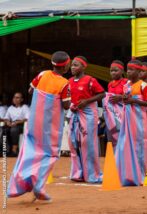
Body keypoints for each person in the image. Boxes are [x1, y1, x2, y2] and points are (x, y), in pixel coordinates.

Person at [7, 51, 71, 201]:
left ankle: (17, 185)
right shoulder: (64, 83)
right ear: (66, 66)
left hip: (34, 121)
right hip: (50, 126)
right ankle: (38, 186)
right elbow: (66, 105)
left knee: (29, 150)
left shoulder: (42, 74)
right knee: (49, 154)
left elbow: (31, 89)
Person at [115, 59, 147, 186]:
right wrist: (122, 98)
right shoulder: (126, 84)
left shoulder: (143, 85)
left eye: (131, 70)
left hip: (139, 120)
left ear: (138, 71)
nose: (128, 72)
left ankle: (142, 175)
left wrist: (134, 101)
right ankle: (129, 174)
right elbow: (126, 99)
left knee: (140, 147)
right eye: (127, 69)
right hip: (127, 119)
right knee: (126, 145)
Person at [68, 56, 105, 183]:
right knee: (73, 143)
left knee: (87, 143)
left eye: (76, 65)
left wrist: (87, 101)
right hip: (75, 113)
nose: (73, 67)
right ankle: (78, 173)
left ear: (84, 66)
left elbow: (102, 94)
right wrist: (71, 107)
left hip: (88, 113)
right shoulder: (70, 81)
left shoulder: (90, 80)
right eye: (72, 65)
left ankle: (92, 174)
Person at [102, 60, 127, 149]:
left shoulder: (126, 82)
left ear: (122, 71)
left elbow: (130, 95)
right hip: (111, 115)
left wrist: (120, 97)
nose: (113, 73)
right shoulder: (110, 84)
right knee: (112, 136)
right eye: (111, 71)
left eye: (115, 70)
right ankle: (114, 158)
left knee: (123, 135)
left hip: (123, 114)